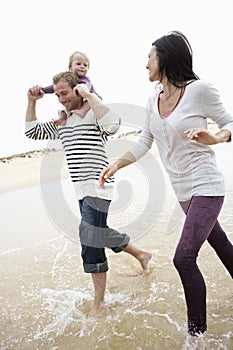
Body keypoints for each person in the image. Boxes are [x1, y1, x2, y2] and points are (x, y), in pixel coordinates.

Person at [99, 31, 233, 335]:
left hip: (207, 186)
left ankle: (196, 337)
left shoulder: (199, 90)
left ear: (165, 58)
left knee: (183, 258)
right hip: (184, 191)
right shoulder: (152, 98)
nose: (146, 63)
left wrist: (216, 137)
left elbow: (229, 123)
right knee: (221, 244)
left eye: (150, 56)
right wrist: (117, 163)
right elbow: (146, 139)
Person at [25, 71, 152, 317]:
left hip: (100, 185)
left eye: (65, 93)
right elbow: (32, 132)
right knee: (98, 233)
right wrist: (31, 101)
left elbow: (113, 125)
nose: (61, 99)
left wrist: (89, 95)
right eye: (58, 94)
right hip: (81, 190)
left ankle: (99, 302)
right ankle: (141, 254)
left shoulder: (95, 114)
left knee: (90, 237)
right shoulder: (62, 123)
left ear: (77, 89)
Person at [42, 51, 101, 124]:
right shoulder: (67, 80)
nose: (82, 66)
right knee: (63, 109)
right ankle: (62, 119)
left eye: (85, 65)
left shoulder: (85, 80)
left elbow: (87, 86)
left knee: (91, 98)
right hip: (77, 100)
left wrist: (83, 89)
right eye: (78, 64)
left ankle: (82, 111)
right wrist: (43, 90)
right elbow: (55, 87)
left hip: (88, 99)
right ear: (70, 67)